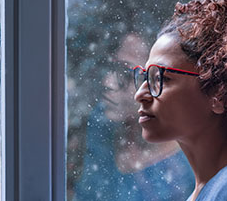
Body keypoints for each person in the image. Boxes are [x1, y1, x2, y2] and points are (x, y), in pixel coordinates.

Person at [133, 0, 227, 200]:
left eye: (162, 78)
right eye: (145, 77)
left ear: (221, 94)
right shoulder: (213, 188)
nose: (140, 94)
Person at [73, 34, 195, 201]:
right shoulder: (101, 125)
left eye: (124, 73)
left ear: (158, 81)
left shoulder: (188, 166)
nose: (108, 82)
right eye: (109, 68)